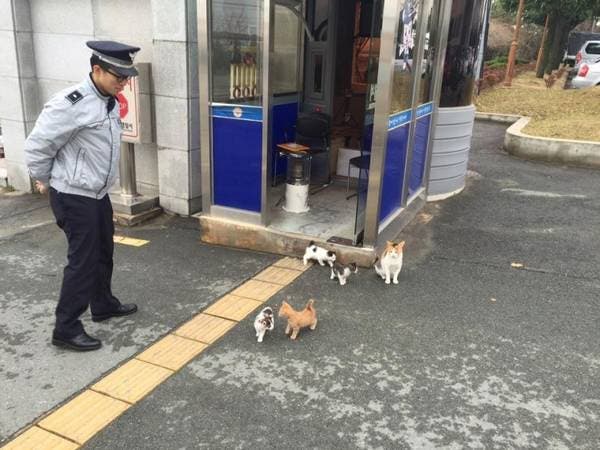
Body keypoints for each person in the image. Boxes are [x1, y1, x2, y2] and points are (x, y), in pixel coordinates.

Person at [24, 41, 141, 351]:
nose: (124, 82)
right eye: (119, 75)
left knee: (104, 251)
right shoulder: (69, 104)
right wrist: (46, 180)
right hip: (73, 195)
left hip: (97, 193)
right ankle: (66, 328)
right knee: (83, 261)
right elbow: (37, 146)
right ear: (97, 69)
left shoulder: (109, 100)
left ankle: (102, 304)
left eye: (127, 76)